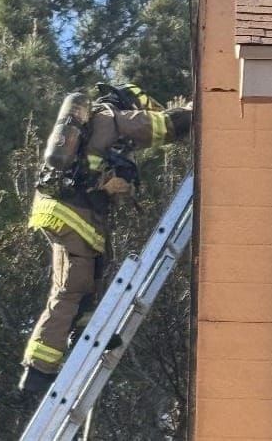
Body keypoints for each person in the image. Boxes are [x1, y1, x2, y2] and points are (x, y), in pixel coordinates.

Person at [19, 83, 192, 393]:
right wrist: (196, 111)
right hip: (75, 215)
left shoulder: (88, 126)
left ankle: (83, 332)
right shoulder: (110, 117)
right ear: (129, 102)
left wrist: (113, 183)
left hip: (58, 212)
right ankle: (38, 373)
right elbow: (161, 126)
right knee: (72, 290)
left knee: (88, 277)